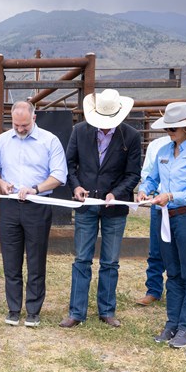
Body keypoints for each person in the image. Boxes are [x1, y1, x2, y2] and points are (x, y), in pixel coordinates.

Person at [60, 89, 141, 329]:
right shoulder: (79, 131)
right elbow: (70, 164)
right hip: (86, 205)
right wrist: (76, 187)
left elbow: (133, 173)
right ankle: (77, 311)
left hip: (114, 208)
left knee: (110, 261)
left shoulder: (131, 136)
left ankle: (107, 310)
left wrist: (116, 193)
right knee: (82, 259)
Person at [137, 102, 186, 348]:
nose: (168, 132)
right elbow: (153, 178)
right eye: (167, 129)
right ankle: (173, 323)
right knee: (173, 272)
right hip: (165, 217)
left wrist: (171, 196)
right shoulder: (164, 152)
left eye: (172, 129)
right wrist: (144, 190)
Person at [0, 101, 67, 327]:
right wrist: (1, 183)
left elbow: (59, 175)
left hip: (37, 204)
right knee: (10, 260)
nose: (20, 129)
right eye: (16, 124)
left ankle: (33, 310)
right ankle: (13, 309)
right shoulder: (3, 140)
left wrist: (35, 188)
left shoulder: (49, 141)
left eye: (24, 125)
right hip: (9, 205)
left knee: (36, 260)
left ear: (34, 118)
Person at [135, 134, 171, 306]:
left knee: (179, 252)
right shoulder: (158, 146)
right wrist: (145, 189)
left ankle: (176, 291)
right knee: (156, 249)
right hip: (158, 202)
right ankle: (154, 290)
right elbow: (148, 173)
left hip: (181, 206)